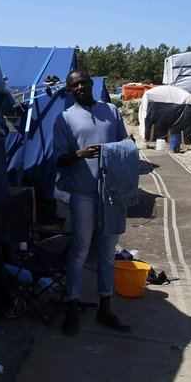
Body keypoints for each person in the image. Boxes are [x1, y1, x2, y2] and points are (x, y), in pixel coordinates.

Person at [54, 69, 133, 336]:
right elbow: (59, 159)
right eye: (75, 85)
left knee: (107, 250)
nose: (81, 88)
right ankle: (73, 306)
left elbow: (127, 145)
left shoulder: (111, 111)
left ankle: (105, 307)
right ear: (69, 91)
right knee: (80, 248)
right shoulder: (65, 119)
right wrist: (81, 153)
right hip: (83, 193)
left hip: (111, 192)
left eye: (85, 83)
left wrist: (120, 149)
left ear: (92, 85)